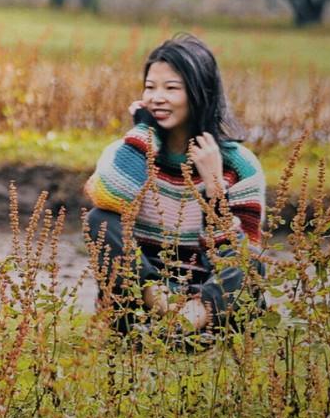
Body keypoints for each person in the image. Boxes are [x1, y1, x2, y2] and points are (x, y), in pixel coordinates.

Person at [84, 34, 267, 336]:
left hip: (211, 301)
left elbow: (238, 253)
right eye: (150, 87)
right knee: (100, 220)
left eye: (171, 88)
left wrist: (213, 187)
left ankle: (190, 322)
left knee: (249, 261)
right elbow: (107, 200)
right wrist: (143, 133)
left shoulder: (239, 165)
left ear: (199, 93)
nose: (157, 97)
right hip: (147, 297)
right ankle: (169, 318)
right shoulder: (131, 151)